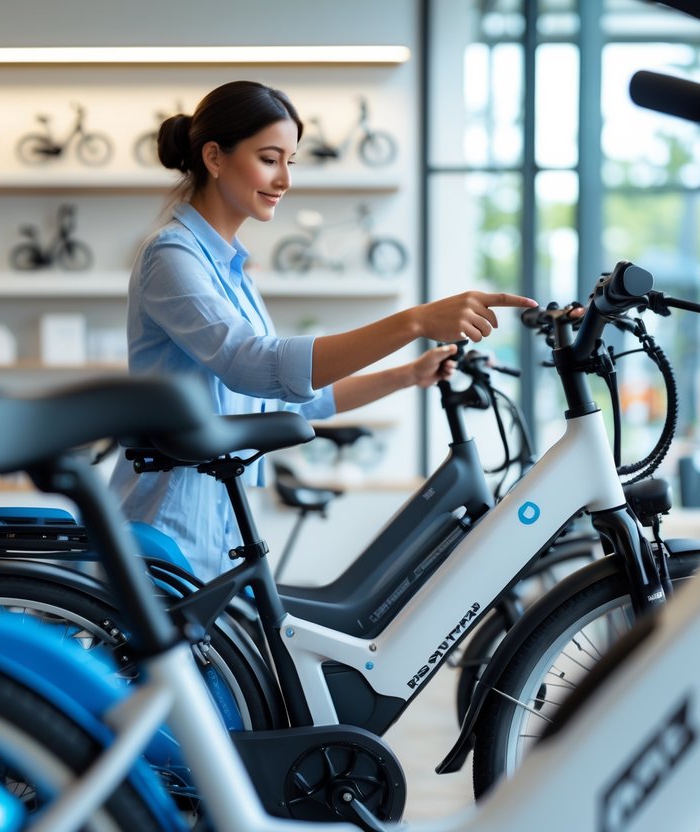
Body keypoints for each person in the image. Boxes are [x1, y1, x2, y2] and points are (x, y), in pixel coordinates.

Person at [111, 80, 538, 579]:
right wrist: (416, 320)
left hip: (225, 525)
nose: (285, 179)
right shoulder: (173, 255)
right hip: (171, 525)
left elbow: (293, 397)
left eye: (290, 161)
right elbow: (255, 365)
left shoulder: (230, 270)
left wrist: (407, 375)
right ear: (215, 156)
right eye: (270, 158)